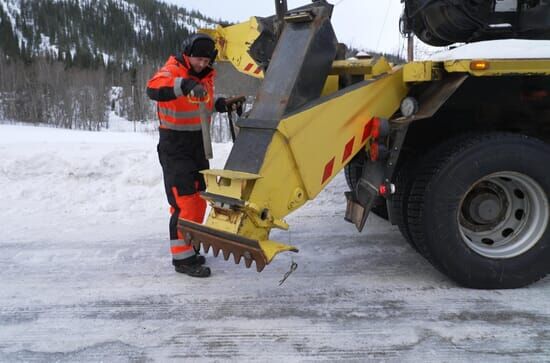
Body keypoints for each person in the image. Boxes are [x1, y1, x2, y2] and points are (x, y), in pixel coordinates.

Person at [146, 33, 243, 278]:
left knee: (199, 200)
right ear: (187, 55)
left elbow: (201, 105)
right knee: (185, 202)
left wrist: (220, 105)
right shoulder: (172, 70)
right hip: (175, 146)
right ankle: (183, 260)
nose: (202, 64)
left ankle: (189, 246)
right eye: (198, 59)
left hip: (198, 146)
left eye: (206, 60)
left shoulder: (206, 77)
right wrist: (184, 84)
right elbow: (154, 88)